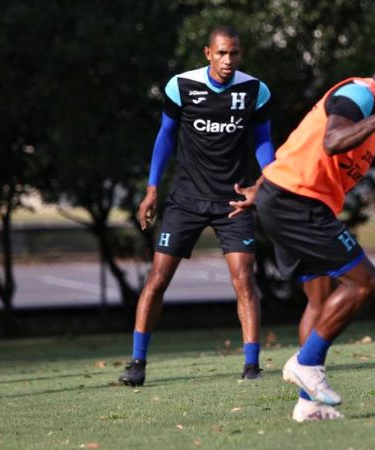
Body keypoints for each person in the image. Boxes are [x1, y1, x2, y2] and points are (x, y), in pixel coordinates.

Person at [229, 35, 375, 421]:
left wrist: (265, 187)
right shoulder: (363, 94)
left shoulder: (371, 106)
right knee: (366, 282)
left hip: (285, 197)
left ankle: (310, 404)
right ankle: (307, 363)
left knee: (320, 300)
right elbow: (332, 140)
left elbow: (302, 146)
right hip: (296, 202)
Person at [118, 26, 275, 386]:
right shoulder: (181, 86)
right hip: (185, 201)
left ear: (241, 54)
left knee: (245, 281)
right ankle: (137, 363)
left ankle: (251, 366)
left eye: (234, 54)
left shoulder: (255, 90)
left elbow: (263, 140)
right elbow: (165, 136)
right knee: (157, 279)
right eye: (221, 53)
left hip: (233, 201)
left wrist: (266, 180)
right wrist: (152, 188)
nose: (228, 61)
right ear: (208, 53)